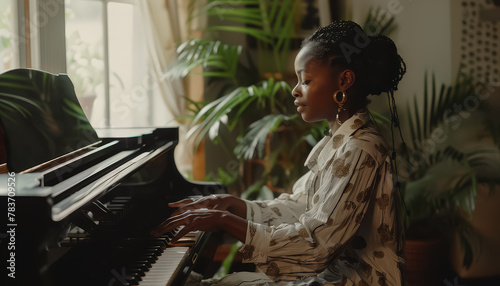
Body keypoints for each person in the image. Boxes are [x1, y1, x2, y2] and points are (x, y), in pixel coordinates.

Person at [152, 20, 407, 286]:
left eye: (305, 80)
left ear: (344, 80)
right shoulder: (343, 140)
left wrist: (225, 220)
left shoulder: (360, 148)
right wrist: (233, 204)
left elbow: (317, 245)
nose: (295, 90)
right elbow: (302, 206)